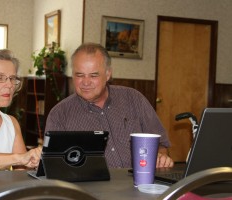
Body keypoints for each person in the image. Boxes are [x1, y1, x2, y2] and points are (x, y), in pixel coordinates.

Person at [45, 43, 174, 168]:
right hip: (88, 188)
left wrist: (161, 157)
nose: (85, 82)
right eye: (79, 75)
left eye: (93, 75)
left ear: (108, 74)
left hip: (138, 183)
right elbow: (53, 165)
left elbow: (161, 144)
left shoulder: (133, 99)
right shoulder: (59, 114)